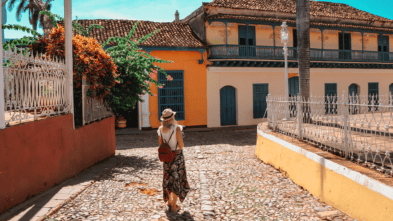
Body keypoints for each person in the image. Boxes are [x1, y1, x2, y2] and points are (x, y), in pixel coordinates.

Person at [157, 108, 190, 213]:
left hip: (166, 157)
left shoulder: (160, 129)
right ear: (172, 118)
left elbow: (160, 145)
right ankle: (174, 206)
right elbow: (181, 145)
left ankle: (169, 202)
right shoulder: (177, 128)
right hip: (177, 157)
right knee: (177, 180)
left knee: (168, 179)